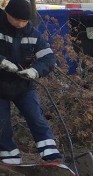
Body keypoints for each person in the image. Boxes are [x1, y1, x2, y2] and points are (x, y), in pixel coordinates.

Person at [0, 0, 62, 165]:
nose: (20, 24)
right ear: (8, 14)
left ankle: (50, 154)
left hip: (23, 85)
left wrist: (34, 71)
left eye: (24, 21)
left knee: (36, 117)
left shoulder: (33, 34)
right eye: (17, 19)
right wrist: (2, 61)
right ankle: (9, 157)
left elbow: (49, 58)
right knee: (1, 122)